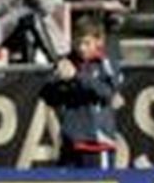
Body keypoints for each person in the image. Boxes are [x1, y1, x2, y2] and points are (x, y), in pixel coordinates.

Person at [43, 19, 121, 169]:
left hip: (97, 144)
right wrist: (58, 78)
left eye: (86, 43)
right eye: (77, 43)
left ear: (99, 41)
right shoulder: (68, 61)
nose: (81, 48)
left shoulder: (105, 63)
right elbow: (49, 96)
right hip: (71, 143)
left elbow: (107, 93)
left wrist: (77, 77)